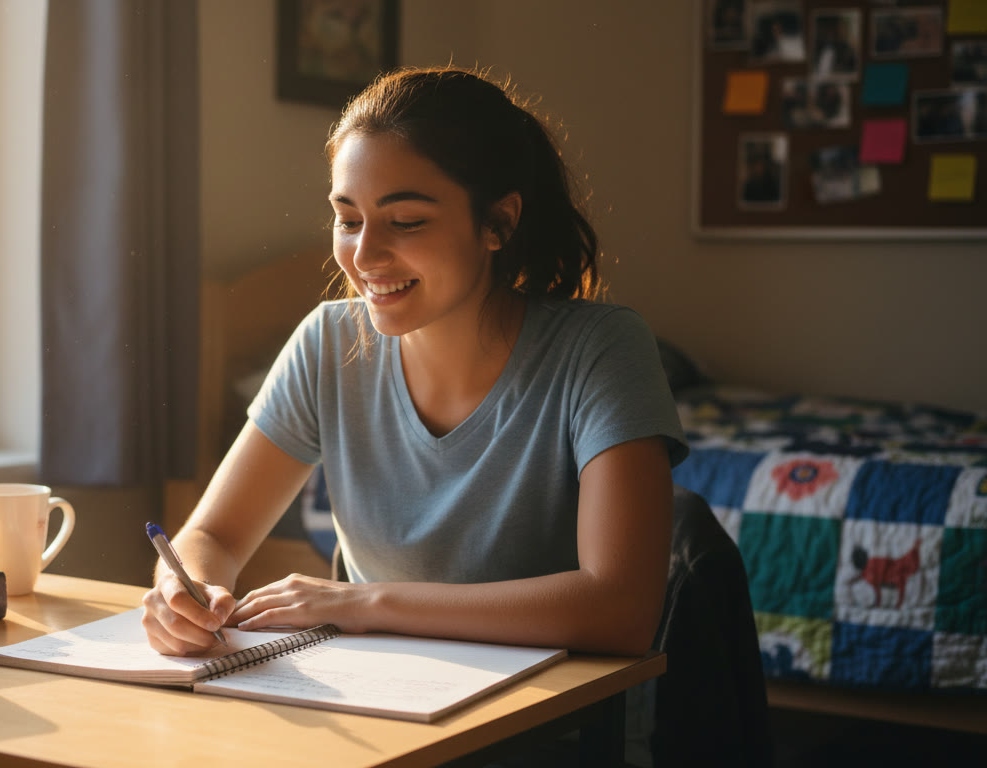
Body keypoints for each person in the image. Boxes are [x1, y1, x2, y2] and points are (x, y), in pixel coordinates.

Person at [142, 67, 688, 661]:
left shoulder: (601, 349)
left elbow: (622, 609)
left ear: (498, 222)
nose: (365, 255)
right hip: (381, 711)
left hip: (549, 730)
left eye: (406, 222)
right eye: (348, 220)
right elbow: (213, 535)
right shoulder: (327, 342)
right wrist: (182, 588)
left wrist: (367, 602)